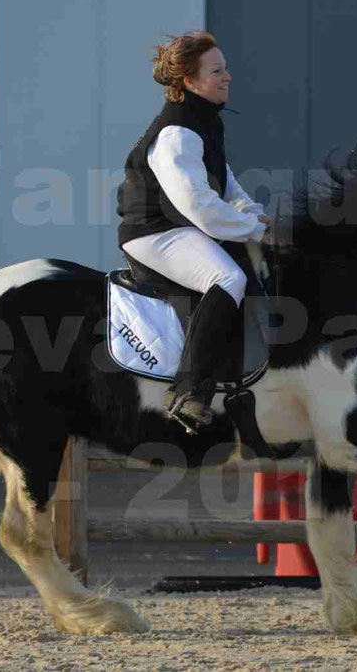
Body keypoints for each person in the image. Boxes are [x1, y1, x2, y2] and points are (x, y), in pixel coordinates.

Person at [116, 30, 271, 433]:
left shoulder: (204, 121)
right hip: (153, 233)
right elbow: (200, 207)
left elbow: (226, 183)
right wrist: (253, 228)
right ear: (188, 80)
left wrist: (254, 215)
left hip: (177, 227)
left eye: (226, 68)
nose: (228, 77)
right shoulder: (176, 133)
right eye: (217, 71)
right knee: (228, 276)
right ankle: (189, 393)